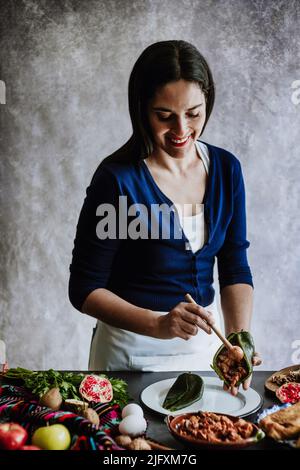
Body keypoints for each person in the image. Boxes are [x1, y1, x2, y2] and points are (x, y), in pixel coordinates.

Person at [69, 40, 261, 394]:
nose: (181, 130)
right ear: (141, 109)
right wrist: (159, 324)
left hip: (203, 355)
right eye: (165, 115)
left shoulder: (226, 169)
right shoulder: (117, 180)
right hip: (129, 358)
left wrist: (238, 339)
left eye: (193, 113)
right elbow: (84, 289)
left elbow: (234, 266)